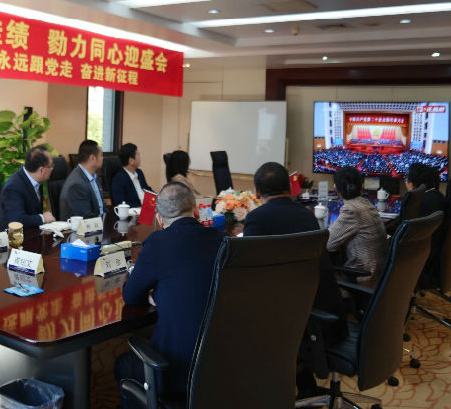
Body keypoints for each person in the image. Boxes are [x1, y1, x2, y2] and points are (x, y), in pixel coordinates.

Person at [117, 182, 225, 403]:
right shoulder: (220, 239)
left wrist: (155, 292)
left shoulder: (158, 242)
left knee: (123, 365)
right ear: (196, 210)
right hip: (221, 363)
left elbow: (131, 296)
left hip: (176, 371)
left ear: (159, 219)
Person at [243, 162, 348, 346]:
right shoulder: (307, 215)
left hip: (296, 327)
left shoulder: (256, 218)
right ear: (290, 188)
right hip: (328, 319)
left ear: (257, 193)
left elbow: (250, 270)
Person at [327, 166, 388, 286]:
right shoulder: (366, 203)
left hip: (363, 278)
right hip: (380, 277)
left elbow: (327, 244)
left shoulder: (351, 210)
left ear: (335, 187)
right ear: (362, 186)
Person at [0, 145, 56, 231]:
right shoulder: (13, 187)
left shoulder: (36, 179)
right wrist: (42, 218)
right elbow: (17, 221)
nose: (52, 169)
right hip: (12, 237)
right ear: (41, 170)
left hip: (32, 233)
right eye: (51, 166)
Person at [59, 139, 104, 220]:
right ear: (92, 158)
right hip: (82, 226)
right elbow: (85, 217)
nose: (103, 158)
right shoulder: (77, 184)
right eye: (101, 155)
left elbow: (102, 207)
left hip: (98, 222)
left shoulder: (94, 176)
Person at [111, 142, 154, 207]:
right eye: (138, 155)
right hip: (136, 211)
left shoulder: (139, 172)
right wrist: (143, 207)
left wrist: (157, 198)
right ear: (131, 161)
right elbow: (122, 203)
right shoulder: (118, 180)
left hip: (148, 207)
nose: (140, 157)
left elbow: (147, 189)